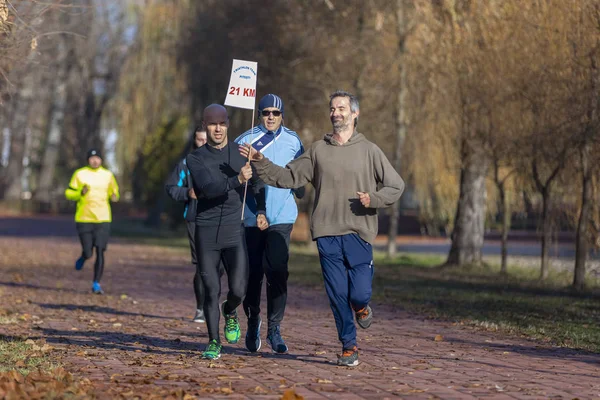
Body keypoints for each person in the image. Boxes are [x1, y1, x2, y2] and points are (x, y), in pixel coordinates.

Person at [240, 90, 405, 367]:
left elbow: (396, 186)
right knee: (337, 295)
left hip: (358, 231)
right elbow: (288, 176)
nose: (335, 112)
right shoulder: (317, 150)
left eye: (341, 108)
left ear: (354, 113)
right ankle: (349, 346)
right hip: (327, 233)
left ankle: (362, 307)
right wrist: (260, 160)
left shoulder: (369, 151)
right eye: (332, 108)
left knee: (358, 294)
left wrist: (373, 199)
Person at [186, 104, 267, 360]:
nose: (217, 128)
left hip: (234, 230)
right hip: (207, 232)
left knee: (239, 290)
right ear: (205, 126)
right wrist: (236, 180)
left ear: (228, 124)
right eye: (212, 124)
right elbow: (208, 189)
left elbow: (256, 183)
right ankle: (213, 341)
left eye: (221, 123)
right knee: (211, 289)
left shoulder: (241, 153)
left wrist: (262, 210)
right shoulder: (195, 158)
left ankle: (230, 311)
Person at [234, 94, 305, 354]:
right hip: (252, 218)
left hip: (282, 217)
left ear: (282, 114)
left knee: (277, 271)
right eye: (266, 113)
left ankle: (275, 327)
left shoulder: (294, 140)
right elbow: (237, 175)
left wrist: (300, 188)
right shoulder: (245, 139)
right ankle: (253, 320)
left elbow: (301, 172)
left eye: (276, 112)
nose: (271, 117)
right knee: (253, 275)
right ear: (260, 113)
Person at [165, 128, 209, 323]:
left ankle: (213, 300)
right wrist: (187, 193)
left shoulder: (223, 161)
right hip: (194, 218)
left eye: (205, 140)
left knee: (220, 266)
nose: (203, 143)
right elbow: (171, 188)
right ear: (194, 141)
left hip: (220, 219)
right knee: (201, 265)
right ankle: (201, 308)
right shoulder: (185, 164)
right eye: (199, 139)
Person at [65, 149, 120, 295]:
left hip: (103, 218)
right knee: (89, 252)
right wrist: (79, 193)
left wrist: (115, 196)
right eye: (92, 158)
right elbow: (69, 193)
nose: (95, 161)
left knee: (100, 250)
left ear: (101, 160)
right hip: (84, 217)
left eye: (97, 158)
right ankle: (84, 257)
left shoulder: (108, 175)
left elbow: (114, 192)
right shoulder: (80, 174)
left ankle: (96, 283)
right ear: (88, 160)